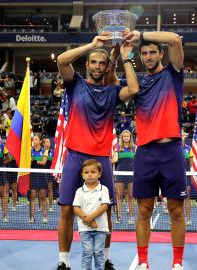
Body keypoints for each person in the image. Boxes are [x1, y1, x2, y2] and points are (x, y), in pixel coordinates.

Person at [55, 32, 138, 270]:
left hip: (101, 159)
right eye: (93, 62)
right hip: (74, 156)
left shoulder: (113, 92)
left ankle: (107, 258)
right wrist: (93, 45)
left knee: (106, 213)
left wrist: (125, 56)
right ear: (87, 64)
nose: (98, 66)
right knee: (67, 211)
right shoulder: (75, 84)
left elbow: (133, 88)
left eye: (102, 63)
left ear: (106, 67)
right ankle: (63, 261)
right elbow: (62, 60)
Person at [124, 30, 186, 270]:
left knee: (176, 211)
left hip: (171, 150)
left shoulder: (174, 74)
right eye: (144, 54)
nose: (148, 57)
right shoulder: (136, 82)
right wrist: (123, 55)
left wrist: (140, 35)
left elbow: (175, 40)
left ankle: (177, 263)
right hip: (146, 154)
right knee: (144, 211)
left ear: (161, 54)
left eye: (152, 52)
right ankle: (143, 262)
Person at [73, 159, 110, 270]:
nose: (89, 174)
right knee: (87, 252)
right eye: (86, 172)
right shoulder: (79, 191)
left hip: (101, 228)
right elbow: (75, 208)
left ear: (99, 174)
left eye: (93, 172)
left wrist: (91, 217)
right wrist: (87, 219)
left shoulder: (104, 189)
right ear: (82, 175)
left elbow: (104, 206)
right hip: (85, 228)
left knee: (99, 252)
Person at [112, 130, 136, 225]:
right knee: (119, 197)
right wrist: (108, 159)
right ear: (122, 138)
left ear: (130, 137)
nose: (126, 138)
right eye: (124, 136)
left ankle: (131, 218)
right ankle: (119, 217)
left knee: (130, 197)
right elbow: (115, 159)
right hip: (120, 174)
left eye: (128, 136)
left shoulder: (134, 148)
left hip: (131, 175)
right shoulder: (117, 148)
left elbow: (138, 161)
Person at [30, 134, 49, 224]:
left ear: (40, 141)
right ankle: (32, 217)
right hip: (33, 175)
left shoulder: (45, 151)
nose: (34, 141)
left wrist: (33, 161)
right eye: (33, 139)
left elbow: (43, 162)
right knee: (32, 197)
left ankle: (45, 217)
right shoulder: (30, 151)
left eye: (36, 139)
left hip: (41, 175)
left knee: (43, 197)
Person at [43, 137, 55, 212]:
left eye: (49, 142)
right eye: (47, 142)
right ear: (44, 143)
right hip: (42, 173)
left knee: (50, 189)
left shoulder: (53, 152)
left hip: (50, 173)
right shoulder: (41, 151)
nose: (49, 143)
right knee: (42, 190)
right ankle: (41, 206)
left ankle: (50, 206)